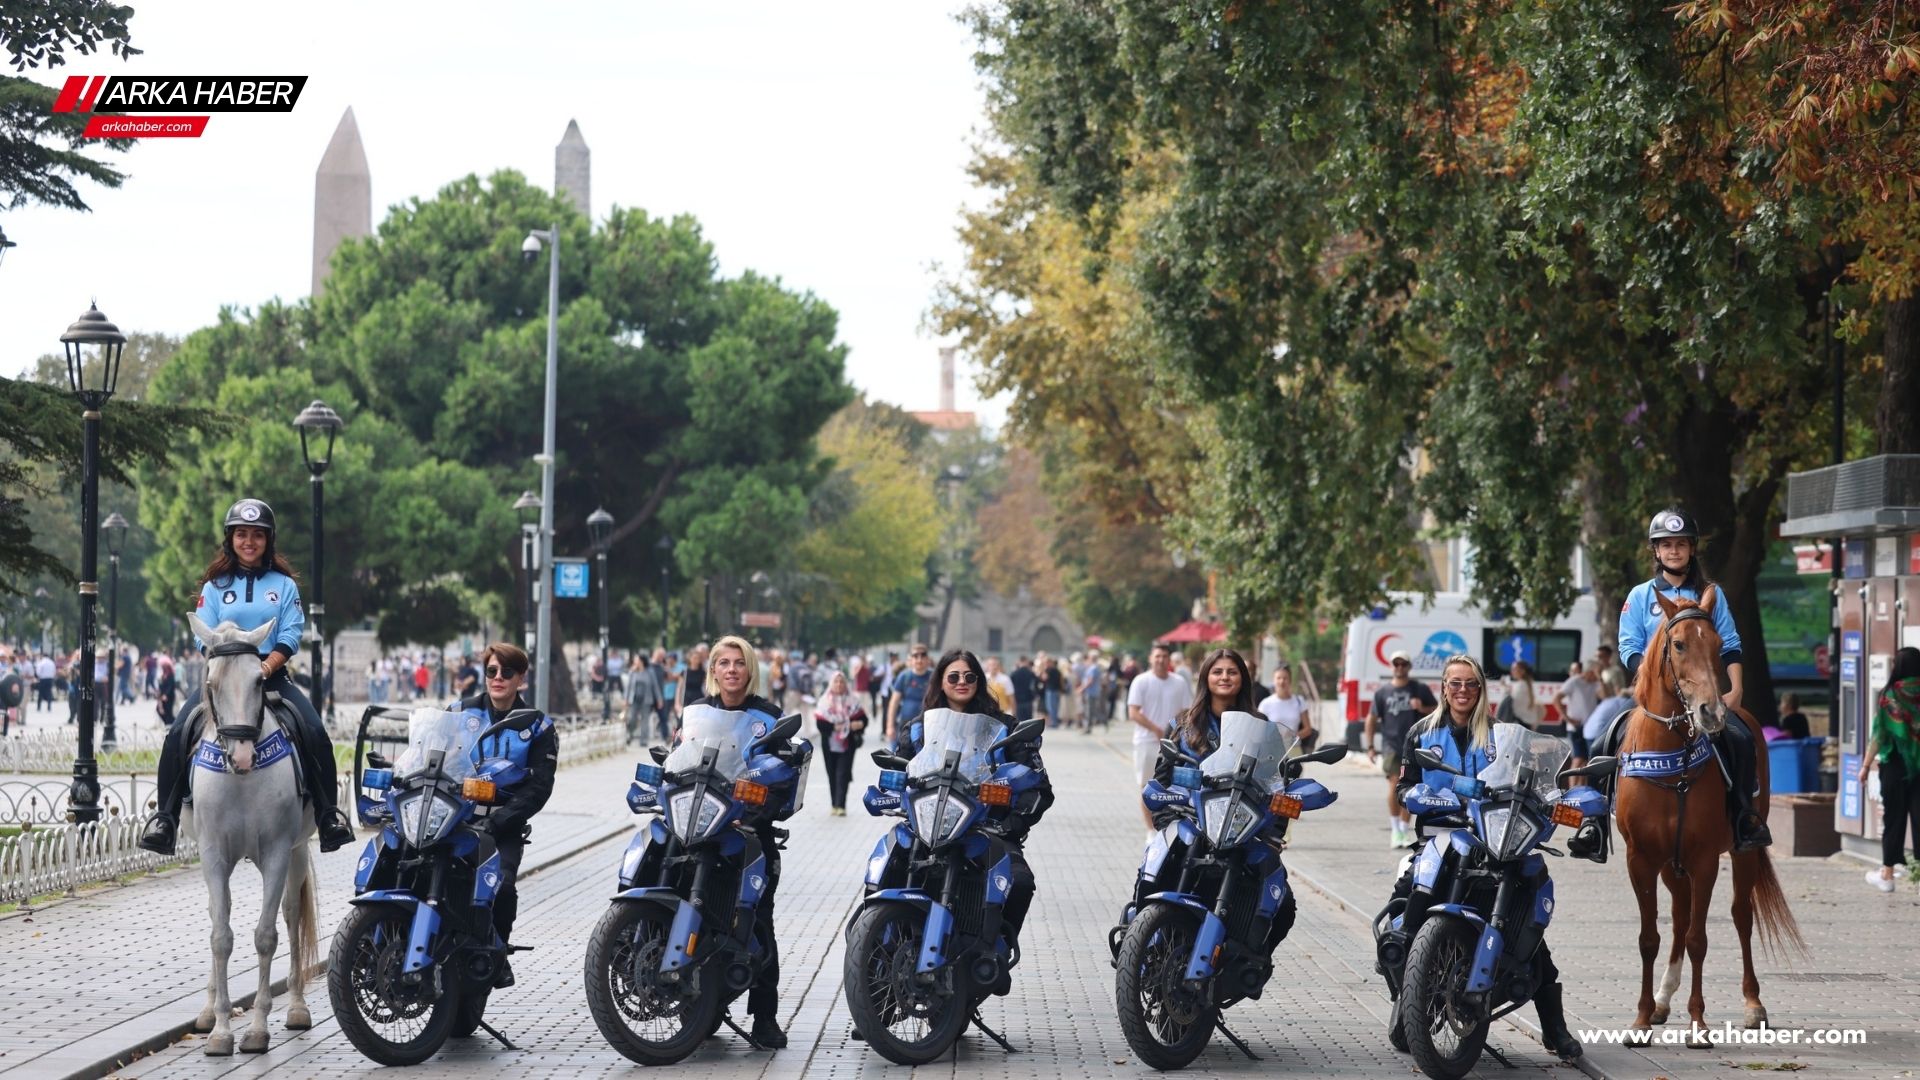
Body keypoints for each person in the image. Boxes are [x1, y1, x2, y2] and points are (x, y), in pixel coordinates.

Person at [1390, 654, 1582, 1063]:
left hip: (1496, 839)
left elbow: (1531, 780)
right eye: (1455, 684)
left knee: (1531, 928)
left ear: (1481, 690)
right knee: (1406, 900)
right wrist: (1414, 796)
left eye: (1470, 684)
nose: (1462, 691)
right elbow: (1404, 786)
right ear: (1443, 687)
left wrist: (1555, 801)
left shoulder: (1500, 735)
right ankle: (1405, 998)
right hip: (1441, 838)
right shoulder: (1421, 733)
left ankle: (1555, 1029)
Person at [138, 498, 356, 855]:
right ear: (230, 538)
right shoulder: (214, 586)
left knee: (316, 732)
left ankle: (329, 815)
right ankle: (165, 818)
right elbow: (202, 632)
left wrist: (265, 666)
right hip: (224, 681)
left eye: (257, 535)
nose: (249, 542)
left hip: (272, 677)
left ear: (269, 540)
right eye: (242, 534)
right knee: (177, 733)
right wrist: (227, 657)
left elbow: (290, 632)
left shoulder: (283, 585)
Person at [1615, 508, 1770, 851]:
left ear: (1692, 549)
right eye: (1666, 544)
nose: (1674, 551)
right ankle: (1594, 824)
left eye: (1681, 544)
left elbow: (1729, 644)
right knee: (1603, 741)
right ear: (1655, 551)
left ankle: (1746, 818)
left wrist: (1737, 688)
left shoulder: (1711, 594)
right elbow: (1627, 646)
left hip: (1703, 694)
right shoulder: (1640, 596)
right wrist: (1649, 674)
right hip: (1653, 697)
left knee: (1743, 741)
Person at [685, 634, 805, 1048]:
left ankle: (765, 1016)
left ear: (750, 670)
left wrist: (756, 815)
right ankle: (694, 1001)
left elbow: (783, 776)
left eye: (739, 663)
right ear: (713, 670)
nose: (731, 669)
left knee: (758, 918)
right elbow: (678, 759)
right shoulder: (696, 713)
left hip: (747, 833)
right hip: (698, 829)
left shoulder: (768, 716)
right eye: (723, 662)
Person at [904, 649, 1052, 950]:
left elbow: (1039, 787)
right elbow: (900, 769)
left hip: (987, 829)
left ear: (979, 681)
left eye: (970, 676)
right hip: (925, 827)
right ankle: (880, 947)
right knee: (887, 865)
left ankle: (996, 947)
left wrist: (1010, 823)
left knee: (1020, 881)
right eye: (954, 676)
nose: (962, 682)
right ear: (941, 682)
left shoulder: (1007, 729)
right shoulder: (919, 729)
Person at [455, 642, 556, 987]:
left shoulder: (538, 726)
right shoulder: (460, 713)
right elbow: (434, 753)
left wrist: (499, 821)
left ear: (521, 679)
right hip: (455, 820)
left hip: (502, 827)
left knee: (503, 887)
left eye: (507, 672)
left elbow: (540, 787)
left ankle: (495, 952)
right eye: (492, 671)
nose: (498, 678)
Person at [1860, 646, 1920, 892]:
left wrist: (1865, 766)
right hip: (1919, 767)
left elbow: (1879, 735)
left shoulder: (1890, 697)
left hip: (1894, 766)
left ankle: (1887, 875)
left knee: (1893, 818)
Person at [1365, 651, 1438, 849]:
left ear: (1409, 666)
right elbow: (1371, 719)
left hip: (1416, 743)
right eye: (1396, 664)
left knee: (1413, 787)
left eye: (1403, 664)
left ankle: (1404, 829)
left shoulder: (1419, 689)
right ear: (1391, 666)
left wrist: (1422, 708)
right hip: (1391, 745)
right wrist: (1370, 746)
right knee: (1394, 784)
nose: (1399, 667)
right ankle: (1395, 828)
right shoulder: (1383, 692)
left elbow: (1438, 711)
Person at [1127, 643, 1189, 832]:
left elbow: (1186, 711)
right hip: (1146, 742)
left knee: (1172, 789)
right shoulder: (1141, 681)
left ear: (1169, 660)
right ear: (1151, 658)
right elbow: (1133, 712)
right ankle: (1150, 831)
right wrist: (1155, 729)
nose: (1161, 660)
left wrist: (1176, 733)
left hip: (1173, 745)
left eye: (1164, 656)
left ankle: (1168, 827)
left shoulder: (1179, 682)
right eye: (1157, 656)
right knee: (1148, 788)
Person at [813, 670, 867, 815]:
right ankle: (834, 805)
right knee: (832, 773)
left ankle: (841, 805)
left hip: (848, 743)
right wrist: (834, 727)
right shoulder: (824, 702)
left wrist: (858, 724)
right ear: (831, 683)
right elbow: (820, 724)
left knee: (843, 773)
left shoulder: (853, 700)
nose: (839, 684)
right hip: (829, 744)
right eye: (836, 681)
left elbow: (864, 719)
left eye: (842, 681)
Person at [885, 645, 933, 750]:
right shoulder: (904, 677)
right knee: (899, 758)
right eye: (915, 656)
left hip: (928, 727)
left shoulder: (934, 677)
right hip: (905, 726)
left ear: (927, 659)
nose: (919, 659)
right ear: (911, 659)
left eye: (923, 655)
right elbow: (894, 703)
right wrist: (890, 727)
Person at [1257, 662, 1315, 744]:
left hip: (1294, 748)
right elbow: (1259, 729)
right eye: (1279, 678)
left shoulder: (1299, 701)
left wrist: (1293, 736)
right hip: (1272, 748)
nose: (1282, 681)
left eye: (1285, 678)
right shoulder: (1265, 704)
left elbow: (1308, 729)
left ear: (1290, 680)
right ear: (1273, 680)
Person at [1556, 660, 1601, 765]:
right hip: (1577, 726)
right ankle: (1573, 782)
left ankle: (1581, 781)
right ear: (1590, 672)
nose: (1598, 675)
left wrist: (1600, 678)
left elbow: (1606, 696)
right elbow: (1556, 699)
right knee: (1578, 758)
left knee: (1587, 760)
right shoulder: (1574, 681)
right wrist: (1567, 718)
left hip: (1590, 727)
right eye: (1597, 672)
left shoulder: (1595, 683)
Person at [623, 650, 664, 744]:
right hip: (634, 699)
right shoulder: (632, 672)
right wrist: (625, 699)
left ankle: (643, 740)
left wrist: (659, 699)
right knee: (632, 719)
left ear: (641, 661)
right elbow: (628, 686)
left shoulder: (650, 672)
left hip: (646, 699)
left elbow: (655, 686)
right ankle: (629, 734)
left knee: (645, 720)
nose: (635, 661)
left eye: (636, 660)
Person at [1505, 660, 1545, 732]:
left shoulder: (1520, 685)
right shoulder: (1526, 684)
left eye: (1514, 669)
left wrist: (1506, 690)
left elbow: (1512, 704)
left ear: (1522, 671)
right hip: (1527, 722)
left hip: (1521, 722)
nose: (1512, 671)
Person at [1009, 655, 1037, 722]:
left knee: (1019, 719)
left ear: (1019, 662)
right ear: (1026, 662)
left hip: (1017, 699)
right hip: (1028, 698)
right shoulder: (1031, 673)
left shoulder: (1014, 673)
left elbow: (1011, 687)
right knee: (1028, 720)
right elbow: (1035, 684)